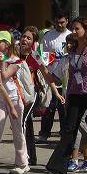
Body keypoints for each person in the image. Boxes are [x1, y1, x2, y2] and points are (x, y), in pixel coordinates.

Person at [46, 17, 87, 174]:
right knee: (69, 130)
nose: (73, 32)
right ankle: (58, 168)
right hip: (75, 95)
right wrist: (41, 66)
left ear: (86, 29)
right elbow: (61, 77)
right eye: (73, 29)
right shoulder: (73, 49)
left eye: (77, 29)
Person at [19, 26, 65, 165]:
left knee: (23, 122)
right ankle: (31, 157)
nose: (24, 40)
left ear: (33, 42)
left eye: (28, 38)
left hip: (31, 94)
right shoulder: (14, 53)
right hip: (15, 94)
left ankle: (24, 158)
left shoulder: (35, 56)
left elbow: (46, 74)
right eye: (23, 36)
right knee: (26, 124)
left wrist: (56, 92)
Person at [0, 31, 29, 174]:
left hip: (15, 99)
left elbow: (4, 76)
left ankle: (22, 163)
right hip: (0, 99)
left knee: (17, 131)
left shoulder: (17, 60)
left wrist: (1, 61)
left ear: (7, 44)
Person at [36, 11, 71, 143]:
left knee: (63, 107)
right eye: (57, 22)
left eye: (62, 22)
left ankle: (64, 133)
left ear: (67, 21)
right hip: (51, 76)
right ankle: (44, 133)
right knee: (49, 107)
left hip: (66, 77)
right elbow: (43, 56)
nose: (59, 24)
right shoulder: (48, 36)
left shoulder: (70, 35)